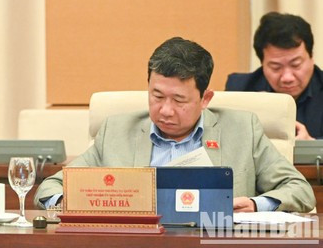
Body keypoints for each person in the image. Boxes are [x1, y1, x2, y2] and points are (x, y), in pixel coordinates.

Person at [34, 37, 315, 213]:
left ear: (205, 99)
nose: (165, 110)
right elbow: (51, 188)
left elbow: (300, 191)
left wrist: (255, 204)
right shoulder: (116, 132)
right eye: (156, 96)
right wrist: (66, 203)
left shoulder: (242, 129)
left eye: (179, 100)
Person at [226, 12, 323, 140]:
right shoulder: (240, 89)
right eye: (275, 67)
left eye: (296, 65)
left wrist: (312, 145)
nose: (287, 78)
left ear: (311, 57)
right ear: (262, 63)